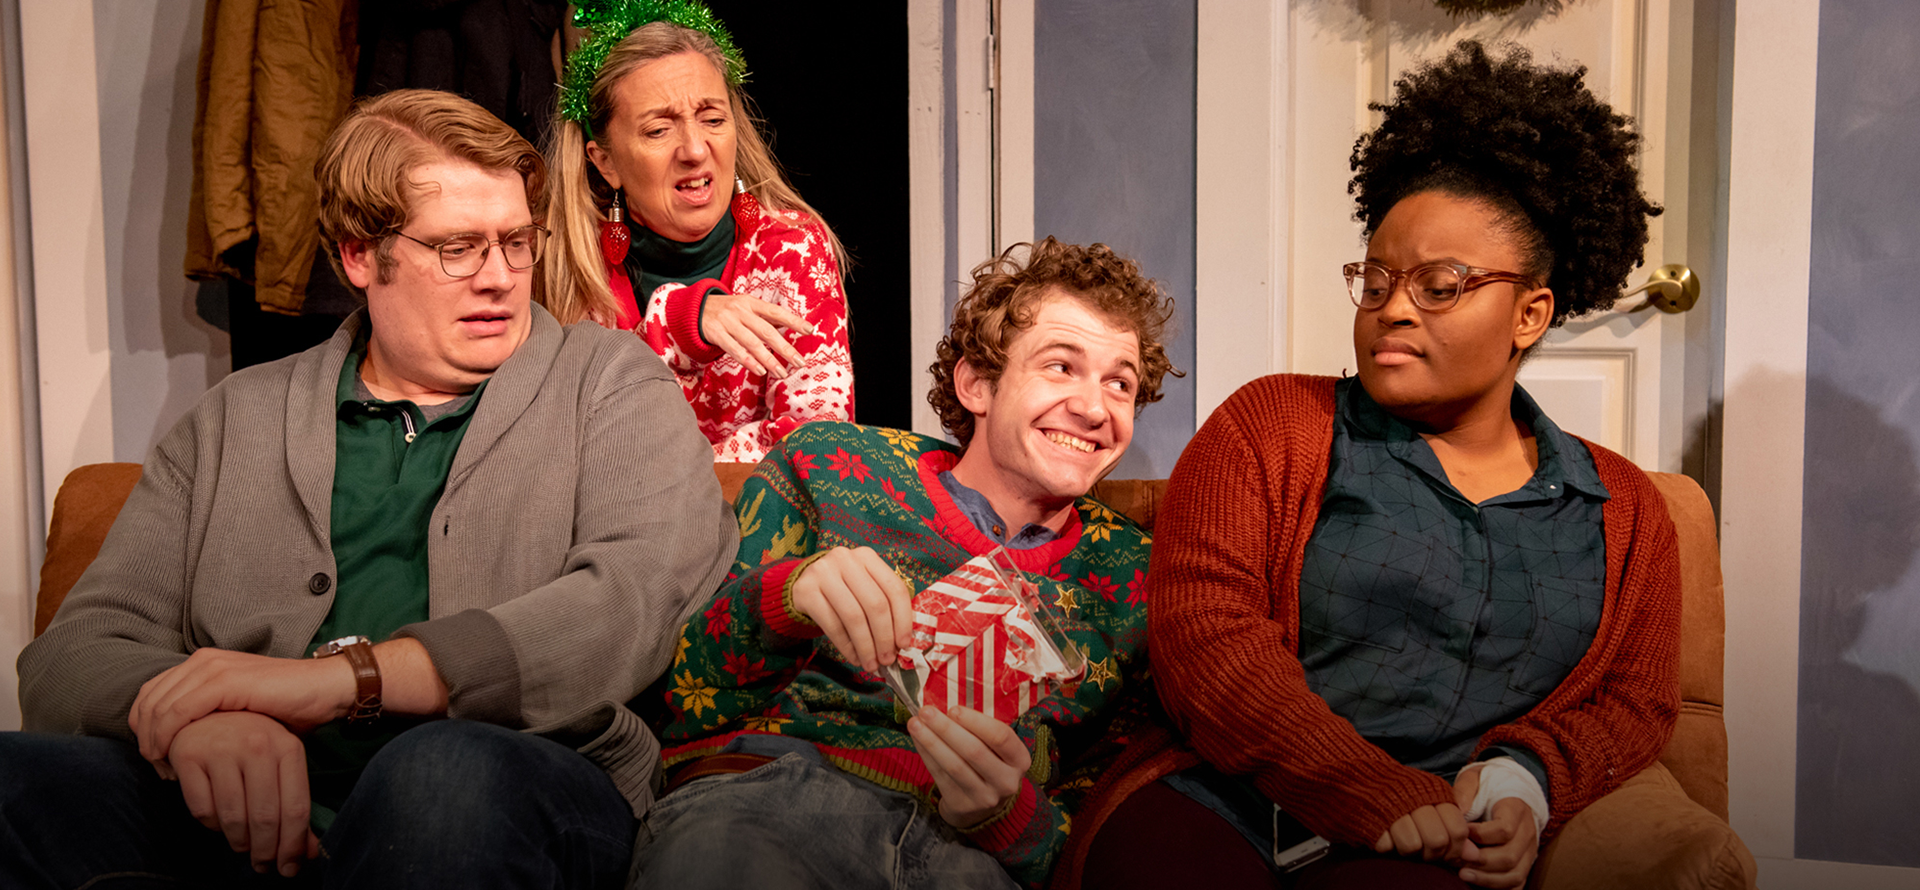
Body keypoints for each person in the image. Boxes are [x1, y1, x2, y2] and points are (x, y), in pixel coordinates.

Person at [1, 89, 738, 888]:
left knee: (439, 771)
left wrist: (331, 684)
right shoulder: (233, 419)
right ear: (359, 255)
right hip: (233, 815)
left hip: (515, 786)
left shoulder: (607, 383)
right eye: (458, 247)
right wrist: (197, 722)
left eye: (517, 242)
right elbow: (70, 656)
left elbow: (629, 601)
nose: (499, 278)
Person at [1063, 42, 1754, 890]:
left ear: (1530, 311)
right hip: (1229, 807)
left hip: (1435, 844)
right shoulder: (1272, 425)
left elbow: (1633, 705)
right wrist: (1370, 791)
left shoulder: (1623, 509)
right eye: (1377, 278)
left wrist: (1524, 785)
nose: (1392, 308)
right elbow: (1206, 637)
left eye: (1440, 285)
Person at [632, 238, 1178, 889]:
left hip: (973, 858)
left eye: (1120, 382)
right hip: (775, 797)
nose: (1094, 407)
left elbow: (1112, 831)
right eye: (1061, 367)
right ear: (977, 384)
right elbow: (686, 702)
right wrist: (788, 598)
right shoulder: (829, 464)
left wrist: (1009, 816)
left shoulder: (1141, 580)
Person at [544, 0, 854, 462]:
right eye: (658, 130)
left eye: (712, 119)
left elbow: (818, 443)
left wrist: (682, 480)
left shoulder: (792, 246)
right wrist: (682, 321)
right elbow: (579, 443)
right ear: (605, 162)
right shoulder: (567, 263)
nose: (694, 149)